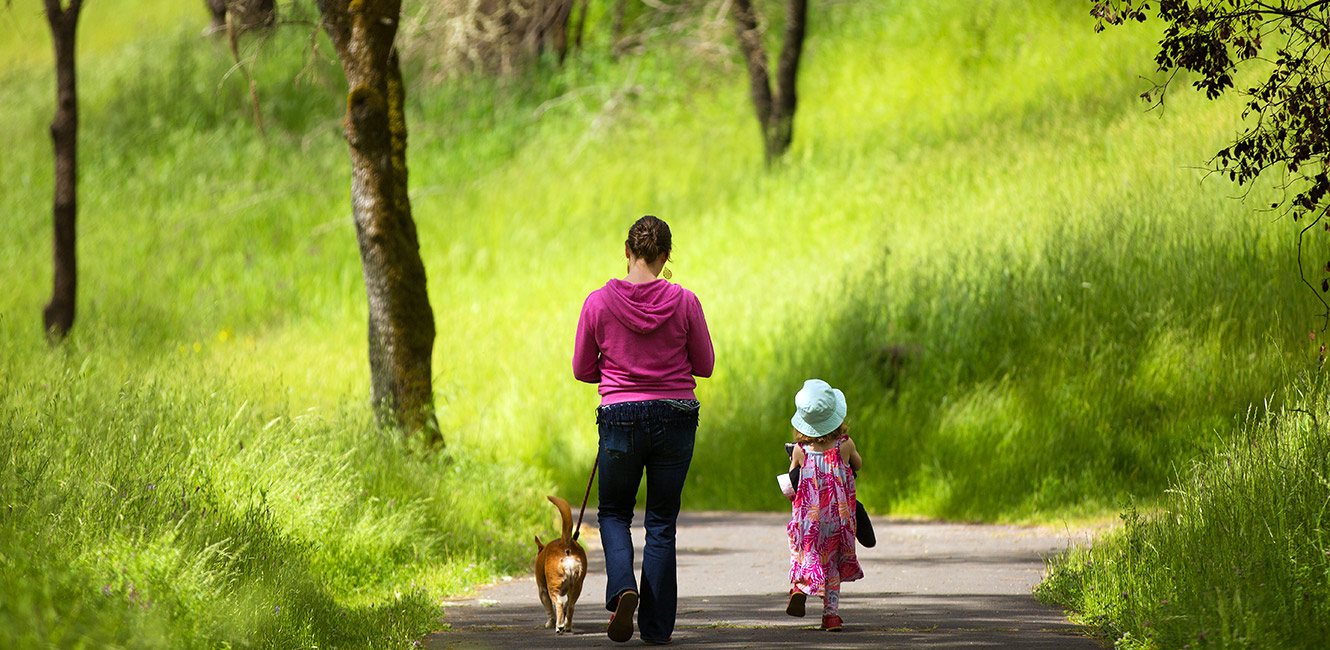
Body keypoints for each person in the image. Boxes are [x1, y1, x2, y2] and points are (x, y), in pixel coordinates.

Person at [573, 215, 715, 645]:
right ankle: (655, 628)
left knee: (614, 514)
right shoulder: (686, 301)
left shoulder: (597, 303)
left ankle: (621, 590)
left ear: (627, 252)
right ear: (665, 256)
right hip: (676, 416)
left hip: (620, 417)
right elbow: (705, 365)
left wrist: (619, 371)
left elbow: (582, 369)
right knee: (661, 522)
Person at [784, 378, 864, 631]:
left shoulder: (800, 450)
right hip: (836, 519)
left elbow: (792, 477)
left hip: (809, 520)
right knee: (833, 565)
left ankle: (799, 588)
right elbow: (858, 464)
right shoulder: (844, 445)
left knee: (806, 555)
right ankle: (830, 615)